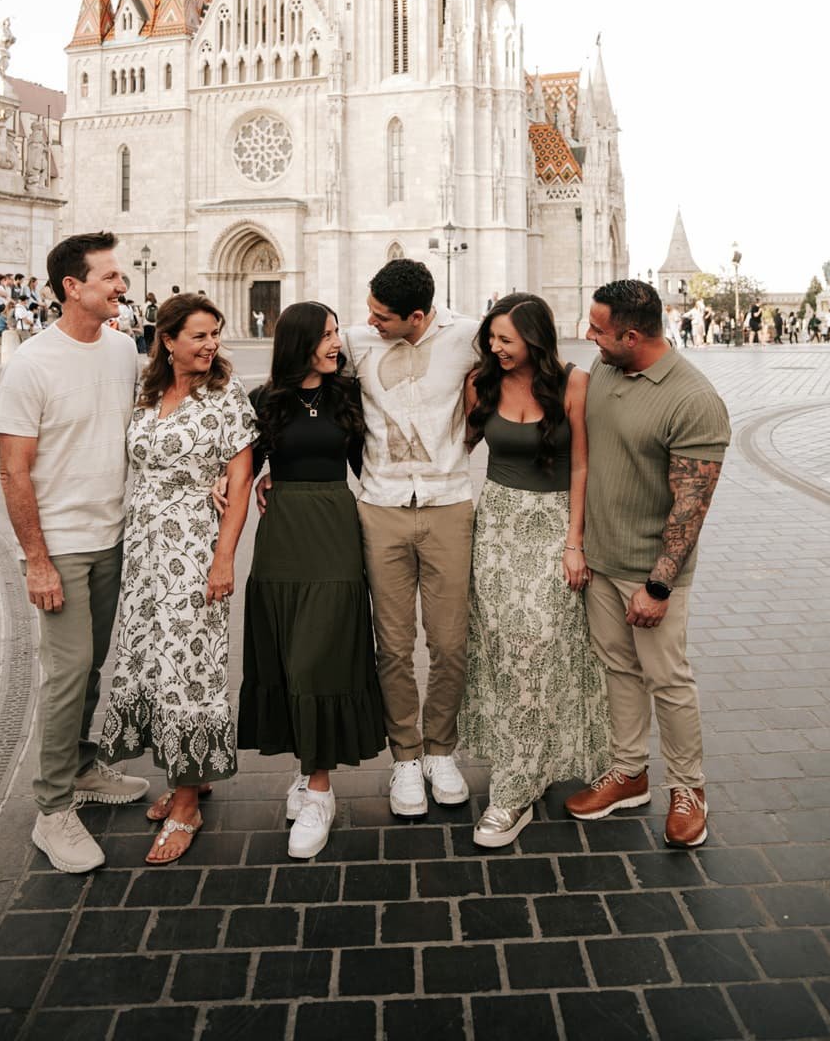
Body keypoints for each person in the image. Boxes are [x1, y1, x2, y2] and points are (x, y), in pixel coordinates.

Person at [258, 259, 476, 818]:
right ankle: (406, 757)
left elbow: (527, 361)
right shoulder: (355, 341)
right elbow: (298, 380)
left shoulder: (468, 338)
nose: (366, 323)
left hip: (448, 505)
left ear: (418, 316)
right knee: (393, 645)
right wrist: (270, 466)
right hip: (379, 510)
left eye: (381, 315)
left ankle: (440, 751)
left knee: (450, 644)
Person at [0, 231, 149, 874]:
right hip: (61, 546)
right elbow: (12, 471)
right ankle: (52, 810)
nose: (123, 285)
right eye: (111, 277)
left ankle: (83, 767)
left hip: (113, 536)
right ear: (72, 288)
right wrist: (36, 559)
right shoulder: (31, 363)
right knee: (67, 673)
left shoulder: (121, 350)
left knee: (90, 666)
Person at [565, 279, 730, 849]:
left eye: (597, 329)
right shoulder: (606, 368)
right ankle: (629, 772)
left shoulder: (693, 399)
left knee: (669, 679)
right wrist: (580, 545)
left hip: (652, 572)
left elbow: (692, 505)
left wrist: (657, 587)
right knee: (618, 669)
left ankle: (689, 789)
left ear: (631, 335)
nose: (589, 336)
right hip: (601, 563)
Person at [99, 293, 256, 864]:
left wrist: (223, 559)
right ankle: (191, 772)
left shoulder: (226, 397)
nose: (212, 344)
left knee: (189, 666)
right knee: (150, 659)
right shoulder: (147, 394)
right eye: (199, 335)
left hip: (192, 551)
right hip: (144, 552)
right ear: (167, 340)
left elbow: (238, 485)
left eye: (215, 334)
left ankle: (187, 800)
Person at [459, 294, 610, 847]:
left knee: (542, 643)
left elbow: (583, 463)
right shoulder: (483, 382)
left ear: (535, 339)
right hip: (496, 527)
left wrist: (575, 542)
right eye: (491, 338)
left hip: (553, 527)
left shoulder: (573, 383)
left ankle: (518, 785)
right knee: (503, 646)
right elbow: (454, 446)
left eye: (507, 340)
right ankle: (519, 768)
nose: (496, 348)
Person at [238, 302, 384, 859]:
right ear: (300, 341)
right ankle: (305, 769)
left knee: (320, 657)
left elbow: (368, 465)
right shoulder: (265, 401)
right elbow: (239, 469)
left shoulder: (348, 395)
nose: (336, 342)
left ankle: (320, 788)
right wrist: (240, 487)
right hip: (282, 541)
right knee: (288, 653)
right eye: (326, 335)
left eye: (337, 333)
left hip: (334, 533)